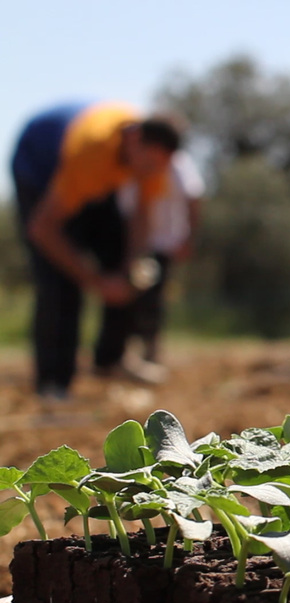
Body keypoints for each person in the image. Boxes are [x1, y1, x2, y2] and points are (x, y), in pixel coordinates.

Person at [9, 101, 180, 403]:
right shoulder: (92, 156)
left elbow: (141, 215)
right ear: (133, 139)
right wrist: (97, 282)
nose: (151, 172)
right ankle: (52, 382)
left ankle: (110, 361)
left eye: (158, 167)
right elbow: (42, 229)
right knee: (59, 278)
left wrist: (131, 265)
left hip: (93, 174)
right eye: (148, 166)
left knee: (129, 267)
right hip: (40, 163)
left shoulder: (152, 157)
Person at [118, 150, 205, 367]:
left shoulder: (181, 163)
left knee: (154, 298)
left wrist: (188, 237)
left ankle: (151, 351)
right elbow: (129, 208)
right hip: (141, 244)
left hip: (165, 244)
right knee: (133, 295)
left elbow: (193, 197)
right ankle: (128, 351)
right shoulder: (140, 163)